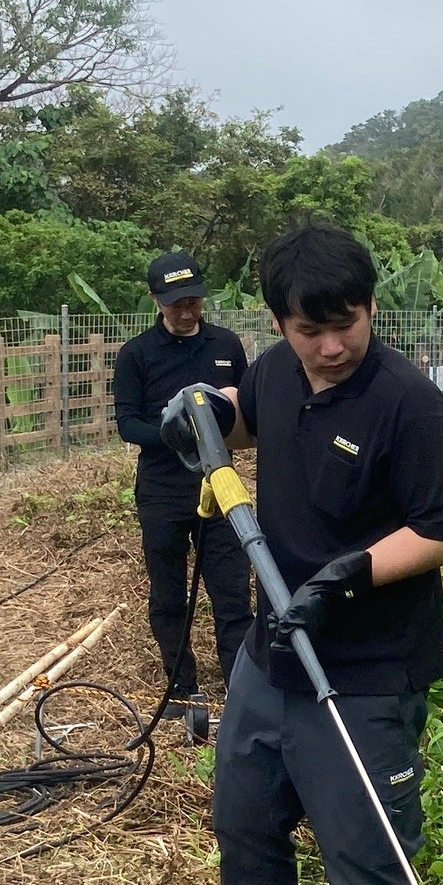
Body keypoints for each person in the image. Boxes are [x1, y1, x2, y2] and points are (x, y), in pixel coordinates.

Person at [206, 222, 443, 885]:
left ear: (371, 306)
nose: (329, 345)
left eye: (345, 323)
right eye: (307, 329)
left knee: (366, 857)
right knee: (245, 823)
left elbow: (438, 531)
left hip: (362, 672)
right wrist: (207, 416)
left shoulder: (408, 402)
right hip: (268, 658)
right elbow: (248, 423)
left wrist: (342, 578)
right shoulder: (278, 369)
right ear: (278, 323)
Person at [110, 251, 254, 730]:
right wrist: (175, 435)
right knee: (168, 591)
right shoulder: (137, 354)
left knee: (232, 589)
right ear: (155, 300)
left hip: (221, 483)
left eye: (193, 300)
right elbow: (128, 423)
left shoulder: (225, 345)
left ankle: (240, 683)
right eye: (175, 303)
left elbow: (244, 410)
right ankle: (181, 685)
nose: (187, 311)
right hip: (163, 490)